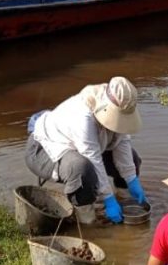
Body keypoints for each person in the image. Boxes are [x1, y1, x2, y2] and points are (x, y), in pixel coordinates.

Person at [25, 76, 148, 224]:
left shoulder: (122, 106)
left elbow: (122, 144)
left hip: (84, 149)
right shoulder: (82, 116)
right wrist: (108, 198)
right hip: (43, 150)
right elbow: (92, 159)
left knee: (133, 158)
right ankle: (87, 220)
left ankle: (124, 200)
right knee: (82, 168)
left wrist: (132, 179)